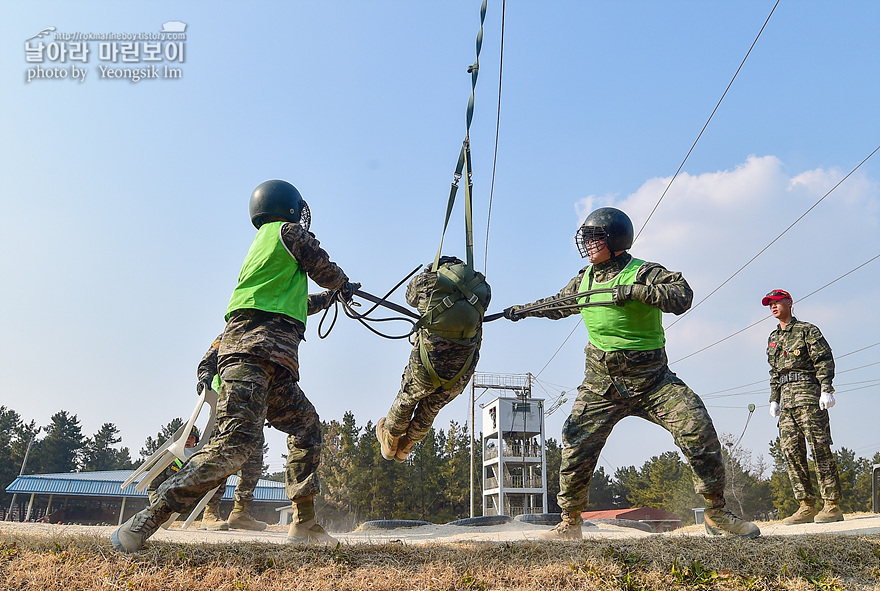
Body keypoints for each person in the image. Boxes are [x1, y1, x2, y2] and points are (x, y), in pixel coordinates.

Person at [112, 179, 358, 552]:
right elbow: (321, 264)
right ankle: (143, 521)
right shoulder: (288, 233)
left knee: (306, 425)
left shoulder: (269, 250)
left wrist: (328, 298)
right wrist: (340, 283)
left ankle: (304, 522)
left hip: (272, 364)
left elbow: (290, 302)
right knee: (234, 446)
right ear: (288, 207)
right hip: (251, 359)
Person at [503, 207, 760, 539]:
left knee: (698, 429)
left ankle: (716, 514)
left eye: (594, 237)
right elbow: (558, 304)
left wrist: (636, 291)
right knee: (575, 441)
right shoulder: (584, 279)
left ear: (614, 239)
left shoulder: (644, 272)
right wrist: (523, 311)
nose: (587, 244)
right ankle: (570, 523)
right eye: (587, 238)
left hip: (652, 380)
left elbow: (682, 296)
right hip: (602, 383)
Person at [376, 256, 490, 462]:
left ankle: (390, 440)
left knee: (407, 399)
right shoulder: (482, 288)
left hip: (428, 365)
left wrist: (427, 272)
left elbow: (409, 297)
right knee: (431, 408)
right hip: (461, 371)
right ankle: (406, 447)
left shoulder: (428, 280)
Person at [763, 289, 843, 524]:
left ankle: (832, 504)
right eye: (770, 305)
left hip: (808, 396)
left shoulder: (807, 330)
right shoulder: (773, 337)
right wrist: (774, 398)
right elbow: (775, 372)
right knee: (791, 452)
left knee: (819, 448)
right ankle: (806, 505)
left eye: (777, 303)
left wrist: (826, 388)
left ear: (789, 302)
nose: (773, 307)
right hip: (786, 403)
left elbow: (824, 359)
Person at [195, 335, 268, 532]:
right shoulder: (230, 333)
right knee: (222, 458)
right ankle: (210, 511)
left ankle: (241, 512)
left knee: (254, 461)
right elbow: (207, 361)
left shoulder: (264, 335)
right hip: (227, 404)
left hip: (254, 408)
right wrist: (205, 378)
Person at [145, 426, 199, 505]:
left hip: (189, 511)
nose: (188, 440)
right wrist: (157, 504)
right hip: (167, 508)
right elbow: (152, 488)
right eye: (186, 436)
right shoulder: (168, 460)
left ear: (195, 441)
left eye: (192, 438)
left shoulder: (198, 462)